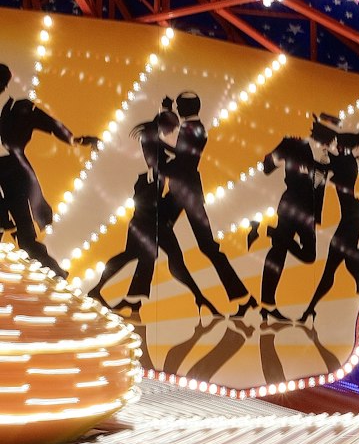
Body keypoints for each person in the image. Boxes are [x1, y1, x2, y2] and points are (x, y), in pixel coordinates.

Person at [88, 100, 221, 318]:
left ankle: (130, 299)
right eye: (171, 131)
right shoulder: (154, 147)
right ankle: (199, 298)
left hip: (150, 211)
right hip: (147, 213)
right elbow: (169, 159)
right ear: (163, 130)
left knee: (150, 256)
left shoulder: (157, 143)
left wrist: (166, 110)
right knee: (156, 256)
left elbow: (172, 152)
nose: (174, 135)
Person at [0, 62, 99, 277]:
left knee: (25, 232)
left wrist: (77, 140)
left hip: (12, 172)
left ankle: (54, 271)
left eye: (2, 83)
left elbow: (51, 125)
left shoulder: (19, 109)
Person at [164, 90, 257, 316]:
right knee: (154, 229)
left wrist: (158, 152)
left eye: (178, 106)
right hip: (184, 191)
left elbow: (182, 160)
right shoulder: (194, 128)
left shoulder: (192, 129)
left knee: (206, 246)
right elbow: (180, 155)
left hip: (185, 192)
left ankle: (243, 297)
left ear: (185, 108)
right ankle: (239, 297)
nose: (176, 109)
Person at [299, 128, 359, 324]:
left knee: (335, 267)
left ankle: (309, 310)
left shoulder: (346, 162)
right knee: (344, 264)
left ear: (343, 146)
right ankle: (309, 310)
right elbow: (325, 164)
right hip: (352, 216)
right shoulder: (347, 161)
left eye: (339, 145)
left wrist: (308, 155)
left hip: (352, 216)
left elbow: (323, 165)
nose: (337, 147)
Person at [252, 111, 339, 324]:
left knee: (309, 255)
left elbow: (321, 186)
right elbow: (267, 166)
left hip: (308, 213)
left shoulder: (328, 157)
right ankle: (267, 305)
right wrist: (275, 157)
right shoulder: (293, 145)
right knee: (278, 253)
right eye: (329, 132)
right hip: (290, 205)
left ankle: (274, 233)